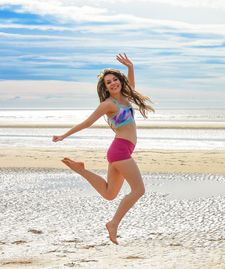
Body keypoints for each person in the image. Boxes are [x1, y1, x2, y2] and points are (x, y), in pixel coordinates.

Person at [52, 54, 154, 245]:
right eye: (109, 82)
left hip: (120, 151)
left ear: (120, 81)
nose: (113, 83)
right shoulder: (108, 104)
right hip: (120, 150)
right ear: (105, 87)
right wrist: (64, 135)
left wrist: (131, 66)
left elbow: (131, 83)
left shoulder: (125, 96)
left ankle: (82, 170)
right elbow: (87, 122)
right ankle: (114, 223)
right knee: (138, 190)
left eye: (115, 79)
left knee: (109, 193)